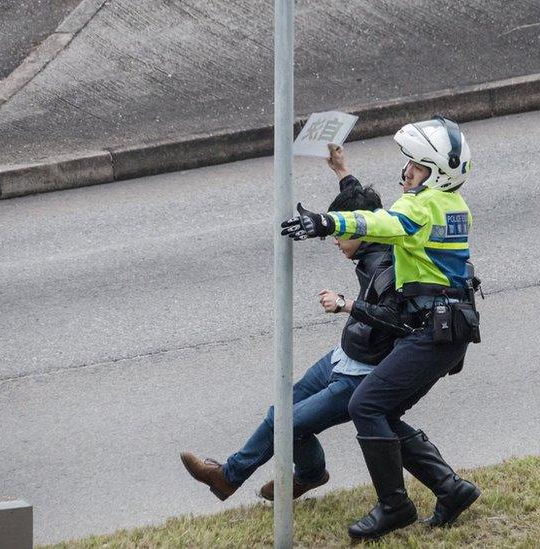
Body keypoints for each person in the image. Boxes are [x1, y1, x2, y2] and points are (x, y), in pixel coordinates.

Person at [281, 116, 481, 540]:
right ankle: (451, 488)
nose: (407, 172)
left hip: (430, 331)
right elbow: (387, 220)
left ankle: (394, 505)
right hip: (447, 330)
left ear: (438, 175)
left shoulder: (418, 205)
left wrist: (327, 222)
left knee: (365, 405)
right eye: (409, 164)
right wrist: (342, 172)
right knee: (383, 410)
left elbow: (383, 224)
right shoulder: (455, 206)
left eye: (417, 167)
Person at [180, 177, 410, 502]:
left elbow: (395, 319)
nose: (334, 239)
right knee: (282, 413)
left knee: (286, 423)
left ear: (362, 230)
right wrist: (344, 173)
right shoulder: (377, 235)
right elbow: (367, 211)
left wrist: (345, 304)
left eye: (340, 232)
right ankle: (248, 477)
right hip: (344, 355)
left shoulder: (384, 263)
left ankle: (251, 476)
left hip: (361, 376)